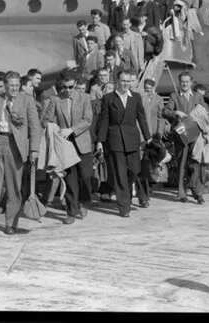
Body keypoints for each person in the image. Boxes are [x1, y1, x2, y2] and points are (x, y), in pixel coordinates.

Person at [0, 71, 41, 237]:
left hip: (15, 146)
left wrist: (34, 149)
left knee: (13, 188)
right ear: (4, 85)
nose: (14, 88)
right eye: (11, 85)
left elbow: (34, 126)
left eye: (17, 85)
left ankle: (11, 223)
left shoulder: (27, 100)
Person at [96, 69, 152, 217]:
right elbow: (104, 120)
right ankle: (124, 206)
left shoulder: (136, 97)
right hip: (115, 140)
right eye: (123, 81)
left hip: (132, 140)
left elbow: (142, 118)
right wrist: (100, 141)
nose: (126, 84)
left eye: (129, 81)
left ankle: (124, 191)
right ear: (117, 81)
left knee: (134, 171)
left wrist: (148, 137)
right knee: (120, 174)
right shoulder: (108, 98)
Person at [42, 71, 94, 224]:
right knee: (70, 179)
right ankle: (71, 211)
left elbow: (87, 120)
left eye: (71, 87)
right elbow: (46, 120)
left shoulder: (85, 97)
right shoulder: (56, 100)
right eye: (65, 87)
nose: (68, 90)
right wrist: (56, 129)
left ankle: (81, 202)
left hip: (82, 143)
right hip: (65, 145)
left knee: (85, 177)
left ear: (76, 85)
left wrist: (71, 130)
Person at [162, 70, 207, 204]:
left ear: (191, 83)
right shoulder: (174, 96)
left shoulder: (198, 97)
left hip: (196, 135)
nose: (185, 84)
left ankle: (197, 191)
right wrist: (176, 112)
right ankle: (181, 193)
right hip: (181, 135)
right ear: (179, 82)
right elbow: (166, 111)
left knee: (196, 164)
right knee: (182, 164)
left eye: (187, 82)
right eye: (182, 82)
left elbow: (206, 111)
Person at [136, 78, 165, 207]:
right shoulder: (139, 98)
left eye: (150, 89)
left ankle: (147, 191)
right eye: (146, 89)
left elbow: (161, 117)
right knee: (140, 167)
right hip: (140, 138)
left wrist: (159, 133)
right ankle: (142, 196)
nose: (148, 91)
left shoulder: (158, 99)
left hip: (152, 136)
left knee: (148, 166)